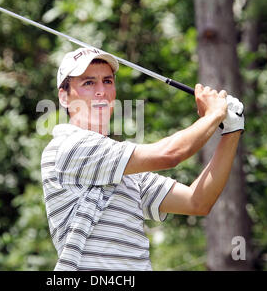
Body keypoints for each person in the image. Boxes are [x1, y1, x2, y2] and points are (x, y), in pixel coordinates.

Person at [41, 47, 244, 271]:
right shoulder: (68, 146)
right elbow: (170, 155)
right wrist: (214, 115)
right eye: (88, 83)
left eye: (107, 81)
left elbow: (197, 202)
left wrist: (231, 131)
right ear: (64, 96)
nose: (101, 91)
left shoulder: (123, 169)